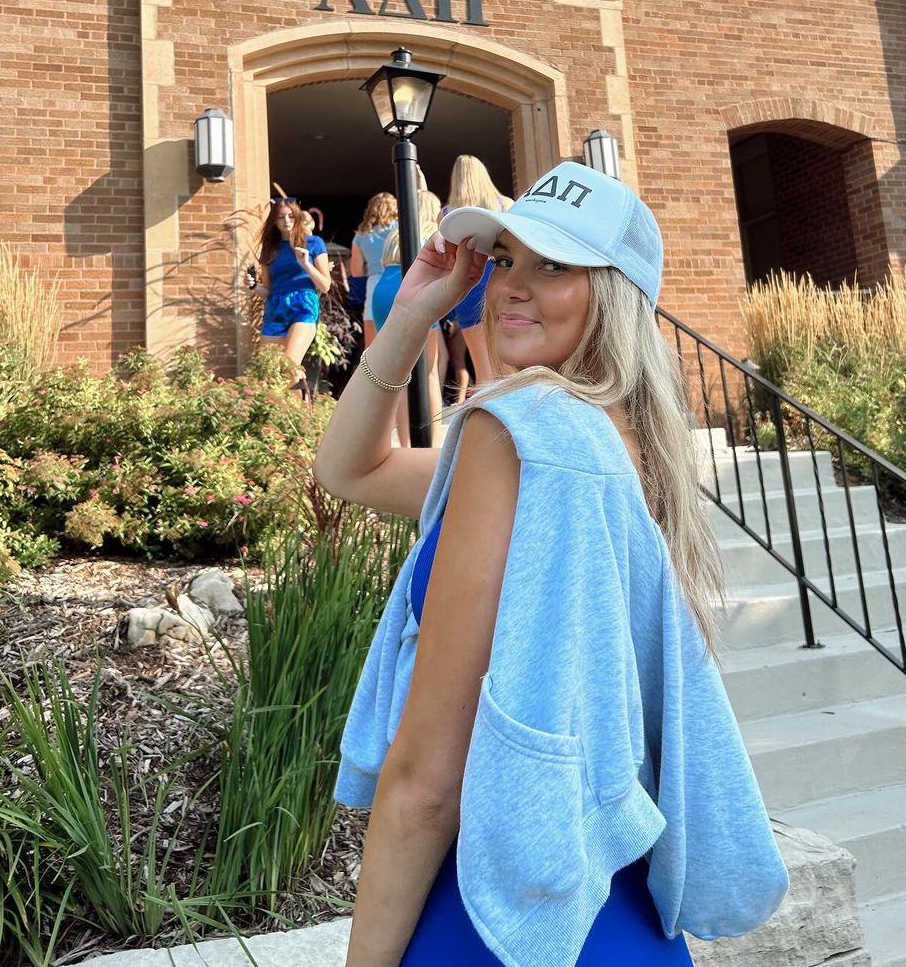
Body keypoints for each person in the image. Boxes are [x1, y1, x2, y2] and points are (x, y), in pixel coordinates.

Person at [315, 160, 788, 966]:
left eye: (555, 264)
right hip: (619, 917)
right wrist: (417, 311)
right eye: (506, 259)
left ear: (613, 294)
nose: (511, 286)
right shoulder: (614, 451)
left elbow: (426, 781)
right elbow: (351, 469)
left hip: (498, 923)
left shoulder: (521, 432)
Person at [371, 218, 445, 444]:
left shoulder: (398, 230)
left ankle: (406, 445)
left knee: (399, 376)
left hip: (384, 286)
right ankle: (432, 447)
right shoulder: (428, 231)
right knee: (429, 373)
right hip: (413, 281)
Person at [442, 155, 511, 387]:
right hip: (502, 281)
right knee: (512, 368)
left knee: (484, 371)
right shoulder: (506, 205)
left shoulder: (447, 215)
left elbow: (448, 260)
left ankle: (485, 412)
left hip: (469, 287)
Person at [252, 197, 332, 391]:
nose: (286, 221)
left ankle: (298, 405)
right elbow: (268, 291)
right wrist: (254, 286)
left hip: (303, 305)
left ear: (297, 217)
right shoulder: (269, 249)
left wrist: (306, 264)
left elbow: (325, 285)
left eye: (290, 216)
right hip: (276, 308)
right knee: (268, 371)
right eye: (280, 217)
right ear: (274, 221)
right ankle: (285, 406)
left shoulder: (313, 243)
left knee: (289, 366)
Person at [351, 191, 399, 348]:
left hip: (374, 285)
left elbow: (356, 272)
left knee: (372, 349)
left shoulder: (361, 236)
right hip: (398, 279)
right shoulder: (400, 229)